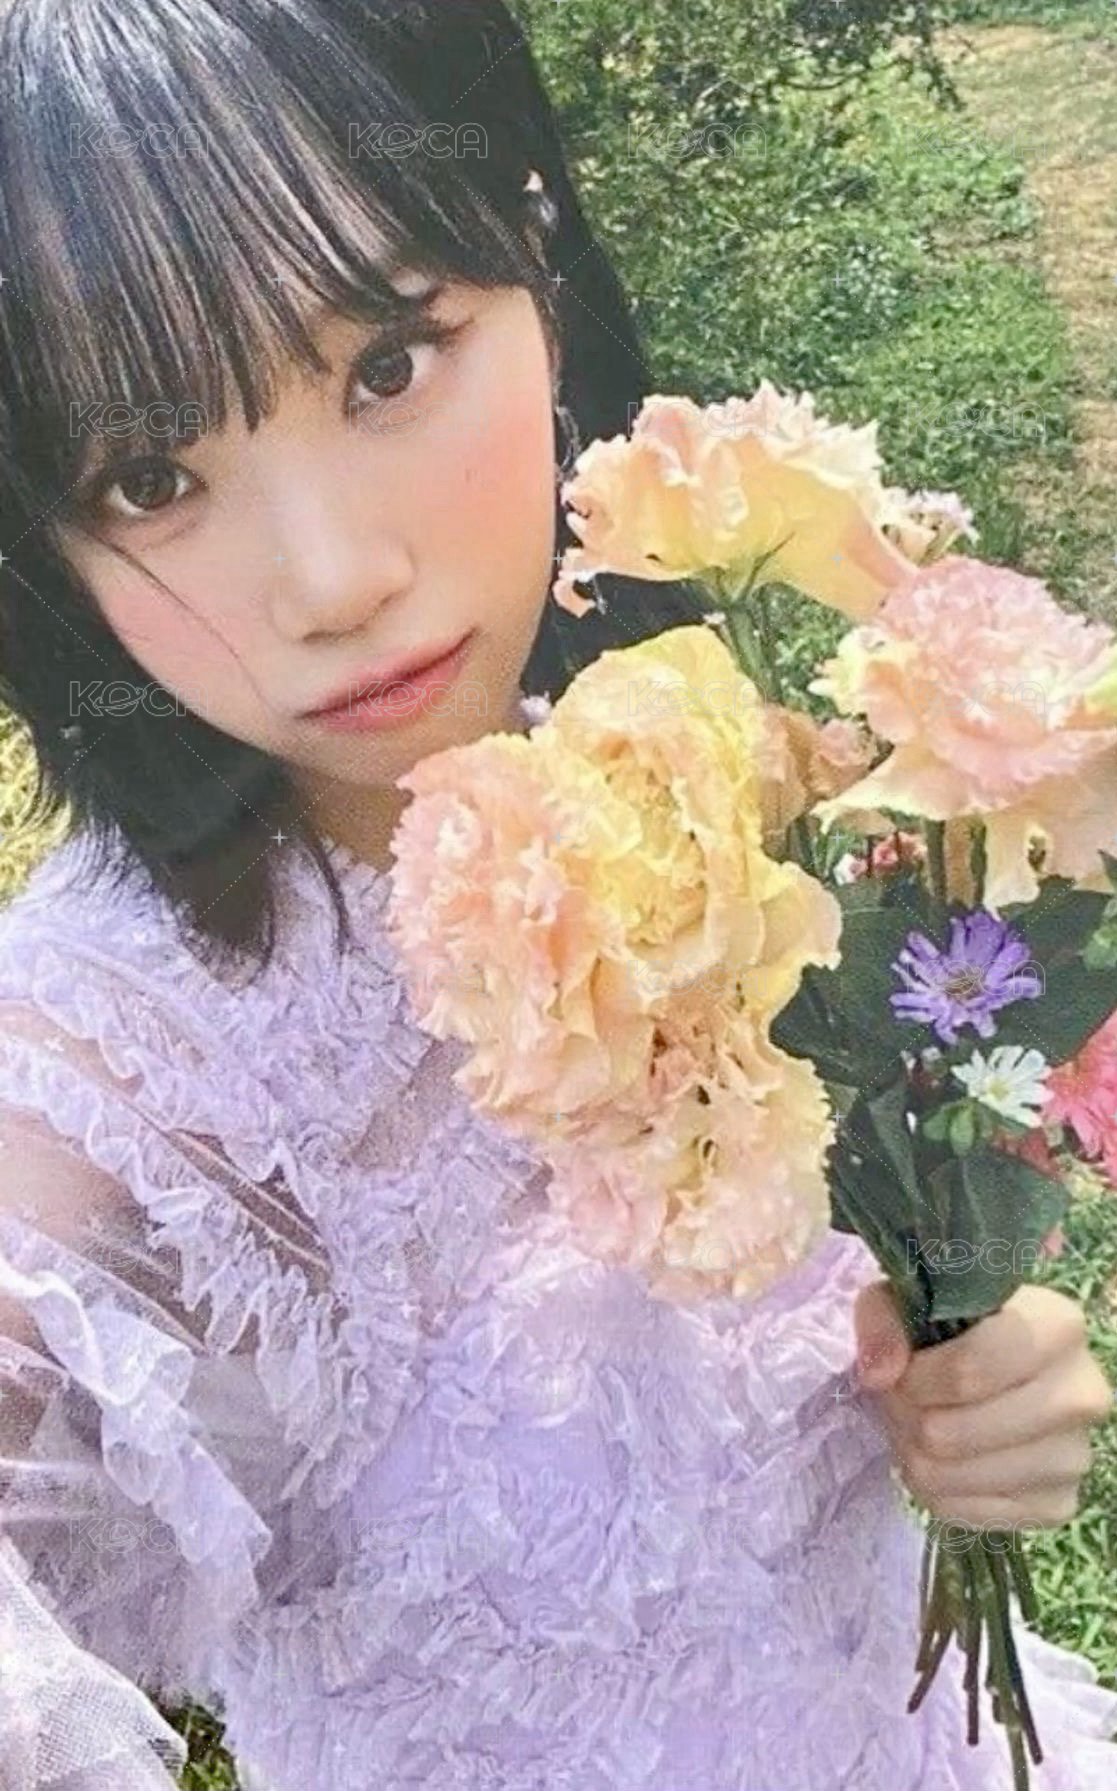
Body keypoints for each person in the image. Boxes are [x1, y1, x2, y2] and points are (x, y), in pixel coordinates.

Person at [0, 2, 1113, 1786]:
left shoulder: (720, 746)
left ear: (531, 247)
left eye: (385, 365)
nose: (332, 579)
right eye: (148, 478)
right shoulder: (117, 1073)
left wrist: (971, 1373)